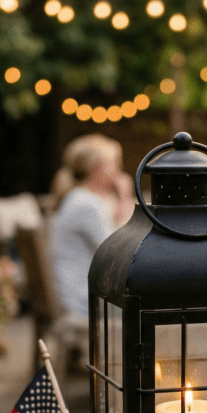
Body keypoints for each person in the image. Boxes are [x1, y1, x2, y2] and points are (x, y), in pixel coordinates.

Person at [49, 134, 133, 319]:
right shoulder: (87, 205)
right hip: (84, 302)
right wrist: (125, 199)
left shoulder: (79, 198)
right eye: (114, 163)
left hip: (77, 295)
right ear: (97, 169)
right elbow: (119, 255)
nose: (119, 169)